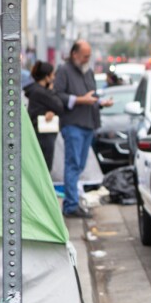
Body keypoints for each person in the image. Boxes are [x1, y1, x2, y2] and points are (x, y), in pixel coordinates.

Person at [54, 40, 112, 218]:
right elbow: (58, 95)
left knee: (79, 166)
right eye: (85, 55)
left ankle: (74, 199)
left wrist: (100, 103)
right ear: (74, 54)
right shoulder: (64, 71)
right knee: (72, 165)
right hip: (73, 125)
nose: (87, 59)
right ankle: (70, 205)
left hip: (89, 123)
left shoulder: (88, 72)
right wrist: (80, 100)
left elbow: (91, 97)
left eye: (89, 56)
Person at [25, 61, 64, 172]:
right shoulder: (40, 92)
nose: (53, 77)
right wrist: (51, 90)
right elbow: (59, 105)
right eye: (52, 75)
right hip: (44, 135)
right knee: (45, 168)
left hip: (42, 134)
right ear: (46, 77)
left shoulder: (36, 90)